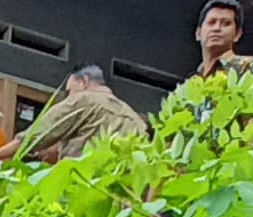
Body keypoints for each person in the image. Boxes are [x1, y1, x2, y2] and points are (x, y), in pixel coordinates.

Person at [11, 66, 149, 164]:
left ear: (84, 82)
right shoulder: (137, 122)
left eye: (69, 91)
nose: (68, 97)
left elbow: (35, 136)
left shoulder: (83, 100)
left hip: (78, 186)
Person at [192, 0, 253, 89]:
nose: (217, 28)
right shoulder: (192, 81)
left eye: (226, 23)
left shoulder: (248, 66)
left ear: (237, 34)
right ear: (198, 33)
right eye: (211, 22)